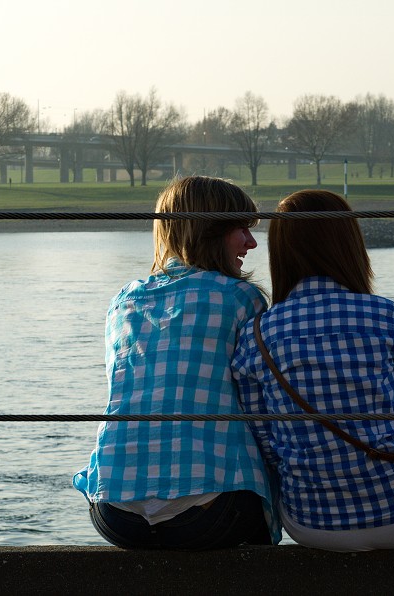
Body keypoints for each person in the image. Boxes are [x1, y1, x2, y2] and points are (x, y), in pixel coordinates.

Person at [73, 176, 281, 550]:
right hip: (209, 511)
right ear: (209, 230)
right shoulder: (241, 298)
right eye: (241, 229)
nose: (251, 243)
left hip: (113, 509)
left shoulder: (124, 300)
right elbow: (260, 407)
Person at [231, 189, 394, 552]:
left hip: (313, 524)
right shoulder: (386, 314)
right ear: (349, 244)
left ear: (280, 253)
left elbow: (267, 445)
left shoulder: (258, 333)